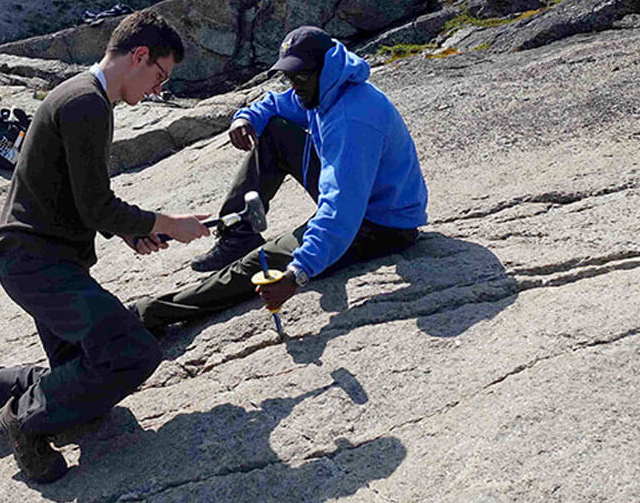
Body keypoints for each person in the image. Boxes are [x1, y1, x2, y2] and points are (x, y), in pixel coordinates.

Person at [0, 11, 210, 484]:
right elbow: (97, 203)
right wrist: (167, 223)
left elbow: (79, 198)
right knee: (132, 352)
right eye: (159, 75)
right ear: (139, 55)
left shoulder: (85, 97)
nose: (158, 89)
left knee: (76, 381)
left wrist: (134, 231)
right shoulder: (86, 103)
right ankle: (23, 421)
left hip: (39, 261)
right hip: (38, 263)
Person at [131, 25, 428, 333]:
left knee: (259, 263)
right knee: (275, 129)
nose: (293, 84)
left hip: (381, 225)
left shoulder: (352, 120)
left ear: (324, 68)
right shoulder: (325, 86)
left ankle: (151, 314)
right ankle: (238, 235)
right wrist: (245, 118)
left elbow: (340, 210)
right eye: (289, 75)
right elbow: (275, 104)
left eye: (299, 76)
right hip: (363, 196)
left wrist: (297, 273)